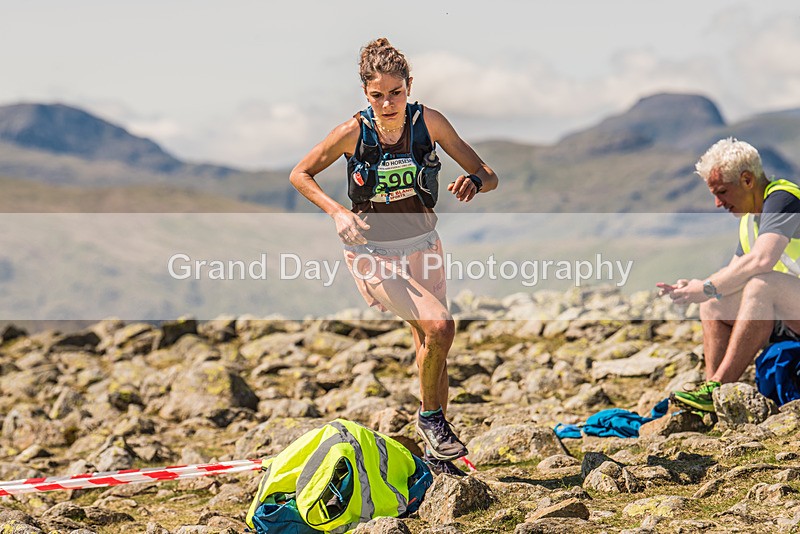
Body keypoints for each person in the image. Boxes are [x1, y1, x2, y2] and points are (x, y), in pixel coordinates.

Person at [289, 38, 499, 474]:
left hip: (424, 247)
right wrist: (337, 212)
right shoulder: (352, 132)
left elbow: (487, 173)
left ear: (409, 87)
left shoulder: (430, 123)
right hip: (372, 253)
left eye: (396, 93)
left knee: (431, 343)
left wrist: (474, 183)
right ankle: (431, 420)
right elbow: (300, 174)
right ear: (365, 95)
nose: (387, 104)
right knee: (439, 326)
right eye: (377, 95)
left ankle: (437, 452)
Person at [660, 138, 800, 412]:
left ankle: (719, 384)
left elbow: (762, 259)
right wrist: (697, 287)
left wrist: (707, 286)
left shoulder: (784, 199)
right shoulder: (750, 218)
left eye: (722, 191)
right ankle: (714, 393)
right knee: (713, 303)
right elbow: (732, 271)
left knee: (762, 285)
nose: (717, 203)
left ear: (747, 180)